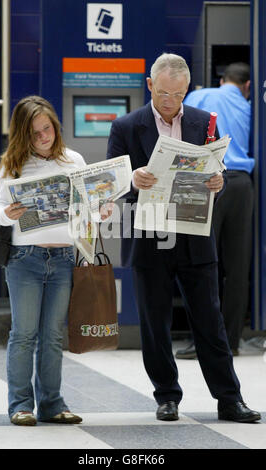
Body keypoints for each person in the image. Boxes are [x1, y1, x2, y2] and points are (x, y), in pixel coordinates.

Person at [107, 53, 260, 423]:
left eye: (177, 95)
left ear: (187, 89)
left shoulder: (204, 121)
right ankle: (167, 396)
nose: (169, 102)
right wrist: (132, 179)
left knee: (210, 320)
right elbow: (110, 183)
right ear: (149, 85)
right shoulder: (127, 126)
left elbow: (215, 171)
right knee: (154, 322)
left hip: (195, 235)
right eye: (162, 93)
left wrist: (217, 183)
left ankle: (229, 398)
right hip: (149, 236)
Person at [0, 96, 112, 426]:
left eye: (48, 129)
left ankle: (51, 403)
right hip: (24, 259)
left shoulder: (73, 160)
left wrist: (101, 210)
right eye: (35, 133)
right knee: (25, 333)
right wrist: (6, 213)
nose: (44, 137)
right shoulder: (12, 164)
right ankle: (20, 405)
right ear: (22, 135)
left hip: (61, 258)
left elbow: (89, 207)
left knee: (53, 335)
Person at [176, 62, 253, 359]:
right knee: (237, 269)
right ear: (247, 86)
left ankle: (203, 342)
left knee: (204, 264)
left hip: (207, 182)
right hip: (242, 185)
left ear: (222, 80)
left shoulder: (201, 97)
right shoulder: (249, 108)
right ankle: (231, 341)